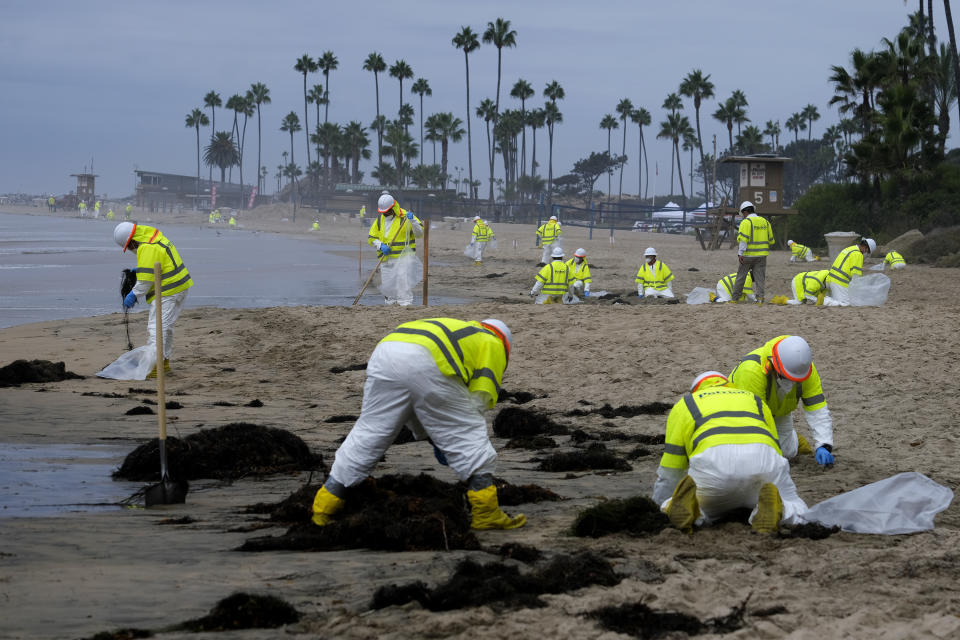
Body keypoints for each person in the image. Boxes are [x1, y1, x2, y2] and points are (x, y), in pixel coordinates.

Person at [311, 317, 525, 531]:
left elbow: (421, 406)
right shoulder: (493, 342)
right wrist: (457, 441)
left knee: (369, 433)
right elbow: (479, 400)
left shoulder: (462, 329)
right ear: (506, 343)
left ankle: (323, 507)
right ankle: (486, 513)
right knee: (469, 433)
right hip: (426, 359)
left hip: (385, 352)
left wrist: (436, 437)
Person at [652, 371, 807, 534]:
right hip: (763, 466)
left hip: (714, 466)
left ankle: (694, 512)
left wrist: (660, 504)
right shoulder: (755, 400)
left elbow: (671, 469)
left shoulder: (686, 404)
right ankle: (780, 510)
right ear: (727, 384)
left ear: (696, 390)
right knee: (796, 506)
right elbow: (776, 450)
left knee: (694, 507)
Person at [728, 335, 835, 466]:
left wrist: (824, 444)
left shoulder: (804, 369)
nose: (791, 382)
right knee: (754, 456)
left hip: (778, 411)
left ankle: (793, 440)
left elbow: (817, 408)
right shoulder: (752, 372)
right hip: (740, 414)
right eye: (786, 376)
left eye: (795, 378)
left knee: (785, 452)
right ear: (774, 363)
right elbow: (753, 420)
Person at [113, 222, 193, 377]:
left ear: (132, 241)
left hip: (168, 292)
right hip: (180, 287)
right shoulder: (152, 237)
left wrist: (133, 295)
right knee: (166, 327)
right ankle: (164, 362)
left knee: (156, 329)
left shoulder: (146, 247)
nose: (131, 250)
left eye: (129, 247)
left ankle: (155, 367)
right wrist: (142, 269)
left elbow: (144, 283)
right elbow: (158, 264)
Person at [367, 193, 424, 306]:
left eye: (387, 211)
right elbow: (371, 238)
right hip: (386, 258)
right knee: (388, 286)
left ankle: (405, 305)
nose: (385, 214)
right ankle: (390, 304)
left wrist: (413, 221)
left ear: (393, 207)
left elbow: (420, 233)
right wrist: (380, 245)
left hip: (404, 257)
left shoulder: (405, 217)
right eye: (382, 212)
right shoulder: (379, 220)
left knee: (403, 283)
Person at [731, 201, 774, 305]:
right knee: (760, 278)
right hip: (762, 256)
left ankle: (734, 299)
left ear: (745, 211)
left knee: (741, 277)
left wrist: (740, 253)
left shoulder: (746, 222)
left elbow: (743, 240)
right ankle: (760, 299)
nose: (743, 216)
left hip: (748, 255)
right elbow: (771, 240)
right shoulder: (765, 221)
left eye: (743, 214)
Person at [823, 237, 876, 306]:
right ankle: (824, 301)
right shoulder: (858, 254)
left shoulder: (849, 249)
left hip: (830, 280)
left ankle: (828, 298)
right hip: (839, 283)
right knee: (847, 303)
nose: (865, 253)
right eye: (867, 251)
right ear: (865, 247)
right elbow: (855, 276)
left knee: (839, 299)